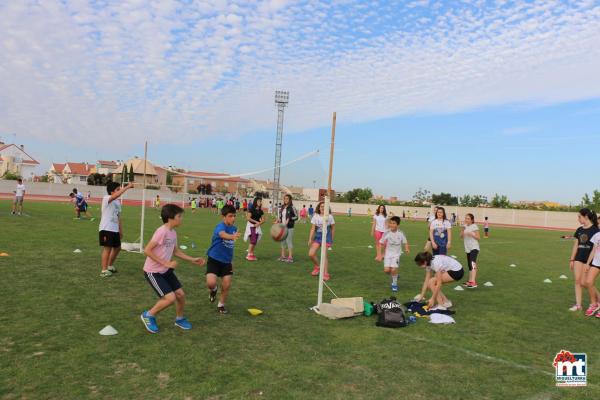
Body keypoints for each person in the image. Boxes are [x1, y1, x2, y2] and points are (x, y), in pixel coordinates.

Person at [140, 204, 206, 333]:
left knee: (180, 295)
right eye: (179, 216)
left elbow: (176, 252)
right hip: (153, 272)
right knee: (170, 298)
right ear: (170, 218)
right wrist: (166, 263)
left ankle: (180, 319)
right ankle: (149, 315)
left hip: (165, 271)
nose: (181, 219)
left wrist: (193, 259)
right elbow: (147, 250)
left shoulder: (173, 232)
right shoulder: (162, 231)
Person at [206, 205, 240, 314]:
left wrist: (231, 261)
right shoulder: (220, 227)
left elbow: (230, 247)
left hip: (226, 262)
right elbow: (222, 235)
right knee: (211, 283)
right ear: (223, 217)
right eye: (230, 216)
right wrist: (232, 237)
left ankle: (221, 305)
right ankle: (214, 289)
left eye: (234, 216)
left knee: (227, 284)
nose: (233, 218)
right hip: (214, 259)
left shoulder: (234, 229)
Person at [99, 182, 134, 277]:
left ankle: (109, 266)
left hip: (114, 230)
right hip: (106, 228)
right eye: (117, 189)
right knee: (107, 249)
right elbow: (115, 196)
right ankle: (104, 270)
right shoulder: (106, 198)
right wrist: (127, 187)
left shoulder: (118, 202)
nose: (119, 191)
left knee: (118, 248)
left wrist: (120, 230)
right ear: (111, 191)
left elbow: (118, 217)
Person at [568, 208, 600, 312]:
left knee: (585, 282)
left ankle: (597, 300)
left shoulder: (596, 230)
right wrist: (572, 259)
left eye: (579, 216)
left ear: (586, 217)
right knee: (577, 281)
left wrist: (590, 262)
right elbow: (576, 245)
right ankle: (578, 305)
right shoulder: (579, 230)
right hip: (579, 258)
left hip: (590, 260)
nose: (578, 218)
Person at [380, 216, 410, 292]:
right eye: (391, 223)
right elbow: (381, 243)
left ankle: (394, 284)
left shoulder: (401, 233)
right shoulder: (387, 232)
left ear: (398, 225)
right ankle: (395, 275)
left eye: (394, 223)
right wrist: (381, 254)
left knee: (393, 269)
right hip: (387, 254)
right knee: (387, 270)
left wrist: (406, 249)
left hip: (396, 254)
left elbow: (405, 242)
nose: (392, 225)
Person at [308, 201, 335, 281]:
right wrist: (310, 238)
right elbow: (313, 228)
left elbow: (333, 228)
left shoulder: (329, 217)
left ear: (327, 208)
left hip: (326, 237)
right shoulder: (315, 216)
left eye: (324, 206)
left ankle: (326, 273)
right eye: (321, 206)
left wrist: (331, 239)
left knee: (324, 255)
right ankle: (317, 267)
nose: (322, 208)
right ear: (319, 208)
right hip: (318, 236)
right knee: (311, 254)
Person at [460, 213, 480, 288]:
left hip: (474, 248)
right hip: (467, 248)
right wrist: (462, 230)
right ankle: (470, 281)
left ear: (472, 220)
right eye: (465, 218)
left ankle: (473, 282)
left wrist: (471, 234)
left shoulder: (474, 226)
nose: (466, 220)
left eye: (468, 218)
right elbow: (461, 236)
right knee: (469, 265)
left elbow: (478, 238)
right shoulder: (464, 226)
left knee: (472, 263)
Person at [278, 194, 298, 262]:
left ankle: (290, 257)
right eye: (285, 198)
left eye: (287, 199)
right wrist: (278, 220)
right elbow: (281, 216)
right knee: (282, 241)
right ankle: (283, 256)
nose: (286, 200)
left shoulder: (292, 207)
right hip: (282, 227)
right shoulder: (282, 207)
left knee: (288, 241)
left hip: (289, 227)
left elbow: (296, 217)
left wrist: (289, 218)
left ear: (290, 200)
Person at [585, 227, 600, 317]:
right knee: (588, 282)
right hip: (596, 263)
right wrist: (587, 263)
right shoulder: (597, 235)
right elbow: (593, 250)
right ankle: (594, 304)